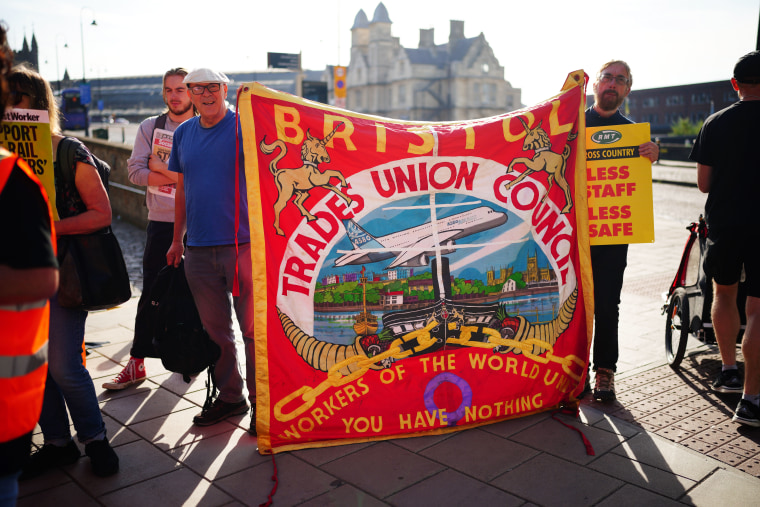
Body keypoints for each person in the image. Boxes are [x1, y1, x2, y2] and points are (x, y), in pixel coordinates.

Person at [9, 65, 120, 479]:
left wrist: (48, 226)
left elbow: (102, 213)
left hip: (62, 274)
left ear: (32, 103)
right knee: (29, 367)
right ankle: (57, 442)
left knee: (62, 365)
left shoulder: (67, 150)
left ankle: (95, 439)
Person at [165, 68, 256, 433]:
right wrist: (176, 239)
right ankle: (231, 396)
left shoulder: (244, 127)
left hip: (243, 245)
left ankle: (265, 406)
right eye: (197, 88)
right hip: (198, 250)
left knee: (252, 331)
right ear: (189, 93)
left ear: (225, 89)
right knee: (215, 331)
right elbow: (182, 190)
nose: (205, 94)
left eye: (212, 87)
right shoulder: (184, 134)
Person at [103, 68, 195, 390]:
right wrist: (177, 176)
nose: (174, 95)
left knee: (200, 295)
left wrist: (163, 168)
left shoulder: (205, 127)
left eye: (181, 89)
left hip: (200, 223)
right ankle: (137, 362)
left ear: (192, 91)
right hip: (162, 221)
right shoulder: (149, 128)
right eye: (169, 90)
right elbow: (135, 174)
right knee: (152, 294)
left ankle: (192, 355)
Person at [0, 22, 58, 506]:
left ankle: (82, 442)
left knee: (67, 366)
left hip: (4, 411)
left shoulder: (12, 177)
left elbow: (42, 278)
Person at [690, 51, 760, 427]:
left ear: (735, 84)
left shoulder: (715, 122)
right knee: (758, 310)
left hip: (726, 223)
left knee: (725, 295)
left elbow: (704, 183)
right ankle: (751, 400)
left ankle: (729, 370)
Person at [586, 60, 659, 402]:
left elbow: (634, 186)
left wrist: (651, 154)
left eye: (620, 80)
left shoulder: (633, 134)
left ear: (628, 89)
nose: (612, 84)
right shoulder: (571, 127)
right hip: (572, 234)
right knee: (569, 304)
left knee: (607, 305)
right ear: (596, 84)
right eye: (607, 77)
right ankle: (569, 370)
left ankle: (605, 372)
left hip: (613, 236)